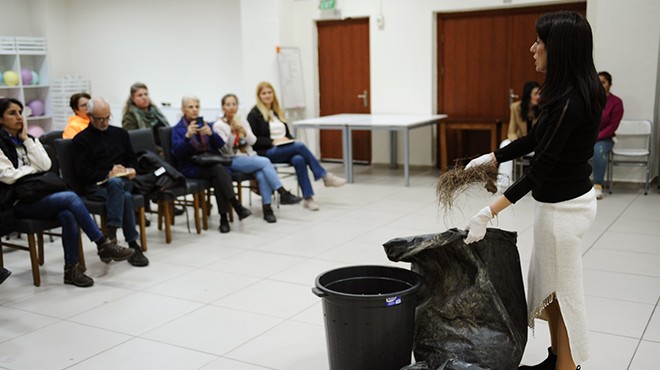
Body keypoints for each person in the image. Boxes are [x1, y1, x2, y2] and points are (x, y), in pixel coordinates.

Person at [463, 11, 605, 370]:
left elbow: (541, 168)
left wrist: (489, 211)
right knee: (552, 290)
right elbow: (536, 139)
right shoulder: (566, 95)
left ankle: (566, 366)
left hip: (564, 213)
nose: (532, 48)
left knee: (567, 295)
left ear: (557, 49)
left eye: (539, 42)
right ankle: (555, 358)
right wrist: (493, 156)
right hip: (560, 205)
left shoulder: (571, 101)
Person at [0, 97, 135, 287]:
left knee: (68, 214)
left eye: (20, 112)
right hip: (15, 202)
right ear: (0, 119)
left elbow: (45, 165)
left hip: (37, 195)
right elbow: (7, 176)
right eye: (12, 113)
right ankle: (102, 243)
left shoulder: (26, 139)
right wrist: (32, 171)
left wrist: (26, 141)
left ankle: (71, 269)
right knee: (70, 198)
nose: (19, 117)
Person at [72, 97, 149, 267]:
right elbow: (83, 173)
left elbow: (132, 159)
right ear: (90, 116)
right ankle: (132, 244)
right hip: (96, 186)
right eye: (100, 119)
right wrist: (108, 174)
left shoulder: (120, 134)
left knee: (119, 186)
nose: (104, 122)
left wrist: (130, 170)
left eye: (107, 117)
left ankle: (110, 241)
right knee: (124, 194)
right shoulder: (80, 140)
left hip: (123, 182)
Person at [247, 82, 346, 211]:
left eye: (269, 92)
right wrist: (273, 141)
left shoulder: (277, 112)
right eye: (264, 93)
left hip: (282, 149)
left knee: (299, 159)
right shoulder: (254, 114)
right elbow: (254, 140)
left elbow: (287, 134)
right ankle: (324, 176)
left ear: (273, 94)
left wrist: (287, 140)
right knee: (299, 146)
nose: (267, 96)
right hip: (266, 152)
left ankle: (308, 199)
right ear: (259, 96)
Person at [213, 94, 302, 223]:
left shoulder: (241, 120)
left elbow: (253, 141)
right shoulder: (218, 125)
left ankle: (267, 209)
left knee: (261, 174)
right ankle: (282, 192)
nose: (232, 107)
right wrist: (233, 134)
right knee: (265, 161)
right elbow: (225, 150)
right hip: (232, 159)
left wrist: (244, 131)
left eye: (234, 104)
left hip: (249, 156)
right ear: (223, 107)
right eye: (228, 105)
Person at [171, 96, 252, 233]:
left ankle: (224, 219)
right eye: (190, 107)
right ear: (183, 109)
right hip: (191, 167)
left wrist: (211, 134)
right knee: (219, 171)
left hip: (211, 163)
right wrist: (188, 137)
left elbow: (220, 145)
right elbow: (178, 153)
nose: (194, 110)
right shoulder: (178, 129)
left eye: (197, 106)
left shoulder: (206, 124)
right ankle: (235, 207)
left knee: (218, 174)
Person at [498, 81, 541, 188]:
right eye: (536, 94)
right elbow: (511, 131)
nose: (539, 97)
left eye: (540, 93)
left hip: (537, 144)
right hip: (522, 141)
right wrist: (516, 142)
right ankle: (503, 183)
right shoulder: (515, 107)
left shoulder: (543, 108)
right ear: (528, 95)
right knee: (504, 144)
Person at [592, 71, 624, 199]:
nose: (600, 85)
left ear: (610, 84)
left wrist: (595, 138)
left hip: (605, 139)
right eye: (598, 82)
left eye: (603, 82)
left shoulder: (616, 102)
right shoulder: (590, 99)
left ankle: (598, 186)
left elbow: (612, 126)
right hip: (588, 137)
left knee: (598, 151)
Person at [121, 82, 170, 156]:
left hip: (166, 150)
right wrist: (159, 151)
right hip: (148, 154)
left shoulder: (156, 112)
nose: (144, 97)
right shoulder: (130, 116)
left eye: (146, 94)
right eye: (140, 95)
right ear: (133, 98)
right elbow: (136, 140)